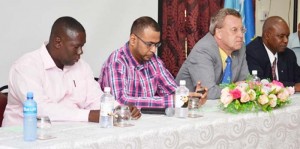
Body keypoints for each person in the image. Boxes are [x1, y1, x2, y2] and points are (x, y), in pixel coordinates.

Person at [3, 16, 141, 126]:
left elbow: (95, 98)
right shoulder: (26, 67)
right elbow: (41, 109)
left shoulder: (82, 67)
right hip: (22, 138)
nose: (81, 52)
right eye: (76, 47)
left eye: (82, 46)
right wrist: (88, 115)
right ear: (58, 43)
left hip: (68, 134)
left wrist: (119, 109)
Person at [99, 16, 207, 108]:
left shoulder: (154, 61)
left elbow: (172, 91)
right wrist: (174, 100)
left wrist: (192, 98)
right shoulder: (116, 62)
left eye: (156, 45)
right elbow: (120, 101)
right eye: (149, 44)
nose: (153, 50)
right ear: (133, 40)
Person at [175, 8, 249, 99]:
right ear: (219, 33)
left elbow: (246, 83)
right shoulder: (203, 50)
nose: (241, 35)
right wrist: (236, 88)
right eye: (234, 30)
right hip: (189, 108)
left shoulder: (240, 48)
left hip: (222, 107)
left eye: (242, 30)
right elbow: (209, 93)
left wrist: (243, 87)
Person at [246, 16, 300, 91]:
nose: (286, 40)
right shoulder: (252, 52)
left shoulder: (289, 54)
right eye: (281, 36)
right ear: (267, 35)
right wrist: (293, 86)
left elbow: (298, 77)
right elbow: (259, 83)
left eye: (287, 36)